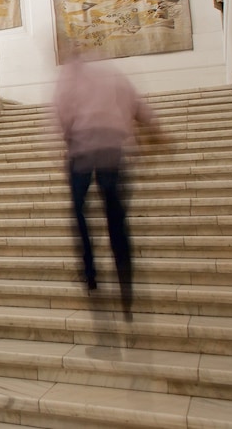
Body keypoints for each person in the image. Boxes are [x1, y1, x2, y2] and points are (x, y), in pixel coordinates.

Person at [53, 51, 159, 318]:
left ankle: (89, 272)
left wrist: (66, 141)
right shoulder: (110, 74)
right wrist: (154, 129)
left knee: (79, 212)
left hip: (82, 150)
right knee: (116, 217)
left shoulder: (68, 76)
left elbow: (62, 113)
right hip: (112, 146)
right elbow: (135, 104)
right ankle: (125, 281)